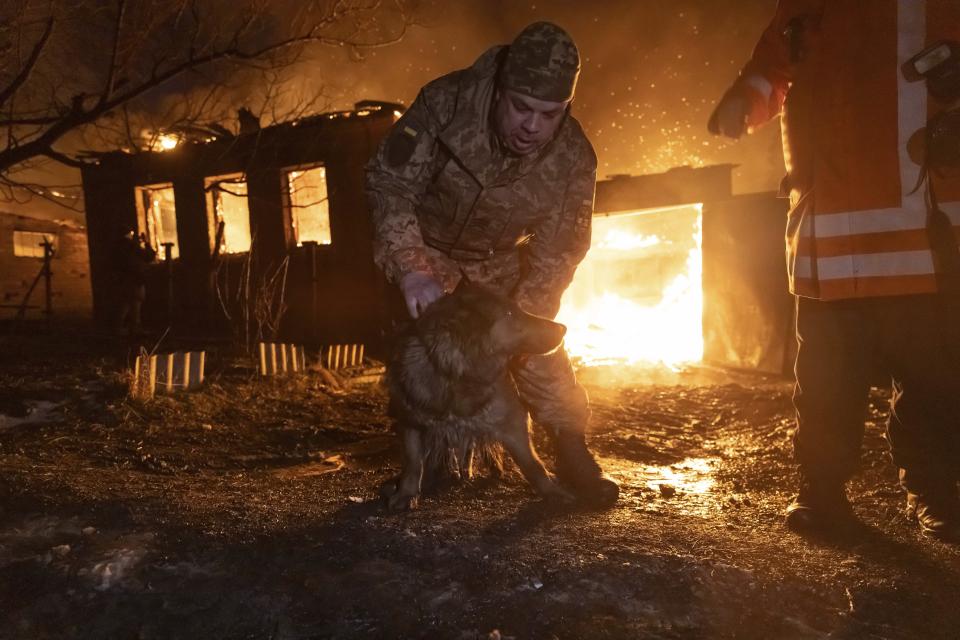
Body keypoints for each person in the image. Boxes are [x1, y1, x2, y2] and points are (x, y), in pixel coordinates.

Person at [710, 1, 960, 539]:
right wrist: (743, 101)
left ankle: (935, 494)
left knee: (934, 377)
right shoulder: (806, 3)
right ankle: (822, 496)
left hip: (924, 234)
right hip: (832, 237)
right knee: (826, 381)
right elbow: (771, 69)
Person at [365, 21, 619, 507]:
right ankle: (431, 463)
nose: (533, 126)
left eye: (549, 113)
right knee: (429, 352)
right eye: (522, 107)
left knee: (538, 349)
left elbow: (562, 245)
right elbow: (389, 183)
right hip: (429, 250)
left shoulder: (572, 157)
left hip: (499, 261)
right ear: (501, 89)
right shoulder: (445, 104)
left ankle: (571, 449)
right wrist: (412, 266)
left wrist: (524, 315)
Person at [115, 229, 156, 336]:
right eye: (131, 233)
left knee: (126, 303)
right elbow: (149, 256)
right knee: (136, 302)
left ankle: (118, 327)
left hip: (124, 280)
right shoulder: (131, 246)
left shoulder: (118, 247)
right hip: (135, 279)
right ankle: (135, 329)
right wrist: (146, 242)